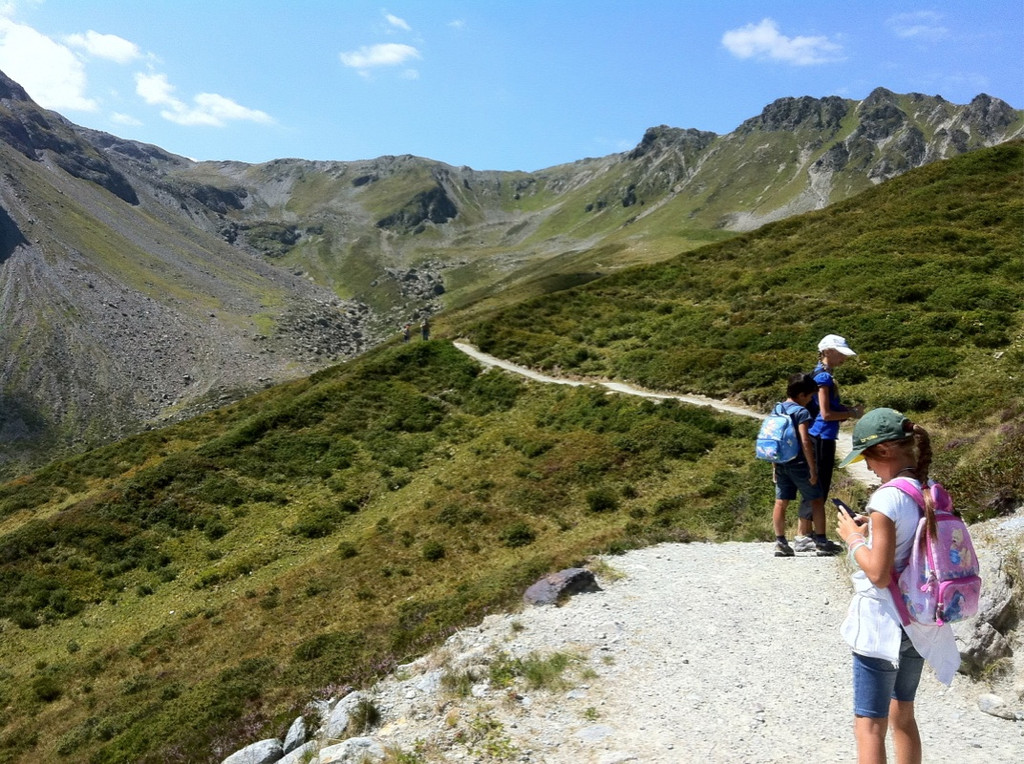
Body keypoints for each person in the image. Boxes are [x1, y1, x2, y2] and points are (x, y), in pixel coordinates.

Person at [835, 408, 960, 764]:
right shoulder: (927, 489)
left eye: (868, 457)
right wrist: (872, 527)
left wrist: (854, 538)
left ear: (886, 450)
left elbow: (877, 572)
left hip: (882, 623)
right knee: (902, 713)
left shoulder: (886, 498)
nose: (869, 467)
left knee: (869, 724)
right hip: (919, 621)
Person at [796, 334, 864, 554]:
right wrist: (852, 413)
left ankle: (806, 535)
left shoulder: (820, 375)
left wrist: (844, 410)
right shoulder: (824, 378)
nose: (843, 357)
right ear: (827, 352)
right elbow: (825, 414)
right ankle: (804, 536)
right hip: (822, 436)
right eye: (839, 352)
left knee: (815, 485)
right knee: (817, 487)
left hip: (819, 436)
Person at [769, 373, 825, 557]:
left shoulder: (777, 409)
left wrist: (774, 466)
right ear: (801, 395)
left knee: (780, 502)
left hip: (781, 463)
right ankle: (822, 541)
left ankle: (781, 542)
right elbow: (805, 441)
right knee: (816, 499)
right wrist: (812, 468)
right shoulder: (801, 412)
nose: (810, 400)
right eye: (809, 396)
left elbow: (773, 439)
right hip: (800, 463)